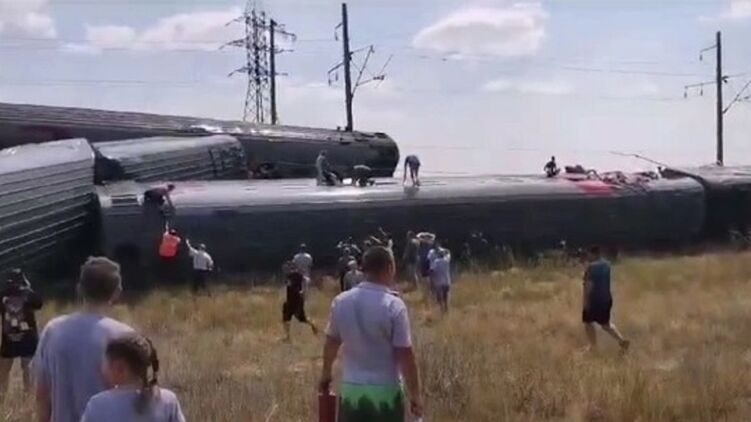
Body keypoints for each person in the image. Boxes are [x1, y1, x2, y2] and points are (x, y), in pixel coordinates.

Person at [320, 246, 423, 422]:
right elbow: (405, 354)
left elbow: (331, 343)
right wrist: (415, 395)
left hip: (351, 391)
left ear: (363, 269)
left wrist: (326, 374)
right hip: (386, 393)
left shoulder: (341, 301)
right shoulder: (394, 305)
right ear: (390, 268)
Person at [33, 257, 134, 422]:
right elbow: (132, 398)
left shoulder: (53, 330)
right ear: (117, 292)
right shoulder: (125, 336)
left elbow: (42, 394)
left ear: (79, 289)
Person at [80, 333, 186, 422]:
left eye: (105, 363)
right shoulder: (168, 401)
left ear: (118, 368)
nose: (101, 368)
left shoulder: (98, 405)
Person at [0, 269, 43, 395]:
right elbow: (39, 303)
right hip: (15, 338)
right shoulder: (5, 295)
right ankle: (6, 397)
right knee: (9, 371)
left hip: (20, 338)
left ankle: (21, 397)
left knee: (25, 371)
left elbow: (39, 303)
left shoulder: (25, 294)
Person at [582, 246, 630, 352]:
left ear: (593, 254)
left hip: (594, 300)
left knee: (588, 322)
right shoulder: (607, 265)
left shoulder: (590, 268)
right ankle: (622, 341)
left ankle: (593, 346)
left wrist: (585, 302)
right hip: (606, 299)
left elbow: (588, 286)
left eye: (589, 254)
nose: (587, 256)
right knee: (605, 324)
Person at [282, 264, 318, 341]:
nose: (285, 270)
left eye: (286, 268)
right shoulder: (291, 276)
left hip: (296, 301)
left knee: (301, 319)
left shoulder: (295, 275)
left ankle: (313, 326)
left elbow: (305, 280)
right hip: (290, 301)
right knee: (286, 319)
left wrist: (303, 290)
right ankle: (287, 336)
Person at [429, 249, 452, 313]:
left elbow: (431, 271)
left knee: (439, 298)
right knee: (445, 297)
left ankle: (442, 309)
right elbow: (448, 253)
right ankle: (446, 309)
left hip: (439, 283)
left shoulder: (435, 262)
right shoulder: (447, 261)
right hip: (447, 282)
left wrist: (432, 278)